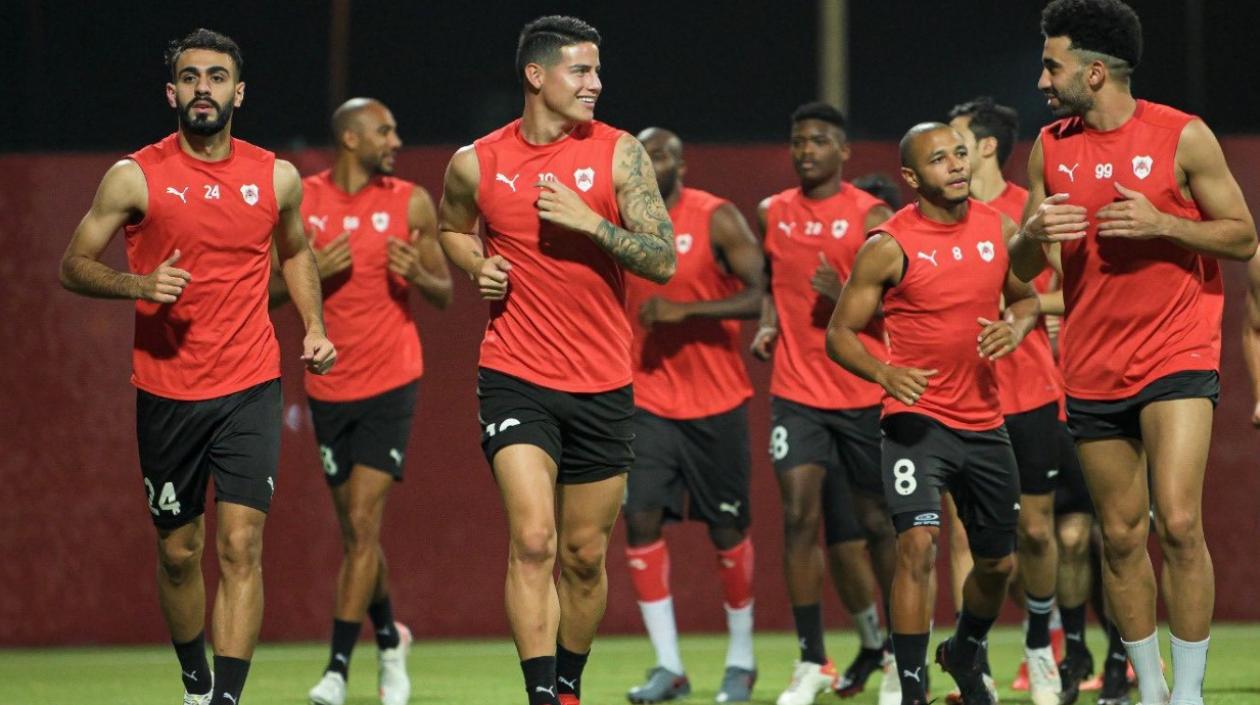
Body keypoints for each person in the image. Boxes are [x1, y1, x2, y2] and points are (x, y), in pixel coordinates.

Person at [57, 28, 335, 705]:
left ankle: (227, 700)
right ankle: (194, 683)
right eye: (190, 77)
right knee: (180, 553)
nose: (202, 87)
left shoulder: (274, 176)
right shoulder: (135, 176)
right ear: (172, 91)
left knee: (241, 546)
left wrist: (316, 327)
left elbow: (295, 252)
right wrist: (138, 286)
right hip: (166, 391)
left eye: (216, 76)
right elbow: (73, 265)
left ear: (238, 92)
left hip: (250, 386)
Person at [1012, 2, 1258, 705]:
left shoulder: (1183, 136)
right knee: (1119, 536)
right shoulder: (1049, 147)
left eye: (1052, 65)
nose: (1042, 80)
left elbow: (1241, 235)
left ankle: (1189, 693)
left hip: (1177, 350)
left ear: (1094, 71)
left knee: (1177, 520)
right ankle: (1148, 689)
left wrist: (1163, 223)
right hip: (1091, 363)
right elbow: (1021, 264)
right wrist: (1030, 234)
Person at [436, 16, 676, 705]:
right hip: (515, 375)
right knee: (534, 539)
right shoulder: (476, 161)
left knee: (581, 555)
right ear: (536, 76)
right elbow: (452, 226)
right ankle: (542, 693)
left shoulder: (619, 153)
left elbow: (662, 258)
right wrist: (476, 262)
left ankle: (569, 683)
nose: (595, 84)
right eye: (580, 70)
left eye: (598, 71)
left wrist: (592, 222)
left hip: (603, 382)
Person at [827, 122, 1041, 705]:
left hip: (985, 423)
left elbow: (1026, 301)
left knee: (998, 565)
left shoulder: (999, 229)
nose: (955, 165)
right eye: (939, 158)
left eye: (960, 154)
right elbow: (840, 334)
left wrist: (1014, 327)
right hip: (914, 423)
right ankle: (913, 686)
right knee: (918, 546)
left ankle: (965, 650)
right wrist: (883, 374)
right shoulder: (888, 245)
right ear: (912, 177)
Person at [269, 98, 452, 705]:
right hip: (328, 387)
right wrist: (313, 269)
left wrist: (418, 275)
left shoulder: (411, 201)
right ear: (350, 138)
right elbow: (268, 293)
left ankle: (338, 671)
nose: (396, 139)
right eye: (384, 130)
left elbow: (445, 292)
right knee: (356, 535)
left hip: (392, 382)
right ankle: (392, 641)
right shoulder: (304, 201)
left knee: (365, 523)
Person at [751, 102, 898, 705]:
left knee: (875, 524)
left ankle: (898, 654)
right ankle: (811, 658)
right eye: (797, 141)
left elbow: (906, 307)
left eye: (818, 141)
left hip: (861, 391)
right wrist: (767, 325)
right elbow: (770, 284)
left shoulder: (874, 216)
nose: (805, 150)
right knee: (798, 517)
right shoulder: (772, 213)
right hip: (796, 393)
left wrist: (845, 299)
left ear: (843, 152)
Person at [946, 95, 1084, 705]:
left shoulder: (1023, 211)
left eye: (955, 140)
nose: (945, 152)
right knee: (962, 539)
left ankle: (1039, 647)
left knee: (1034, 532)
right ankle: (971, 663)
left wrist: (1029, 315)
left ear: (984, 147)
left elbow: (1066, 294)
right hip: (961, 397)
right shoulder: (937, 213)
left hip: (1026, 391)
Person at [620, 127, 765, 704]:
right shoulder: (620, 224)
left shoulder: (716, 217)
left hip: (717, 402)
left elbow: (762, 293)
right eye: (641, 155)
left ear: (680, 162)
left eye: (660, 154)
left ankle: (742, 660)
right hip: (645, 400)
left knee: (727, 530)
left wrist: (687, 311)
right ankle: (669, 666)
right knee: (639, 521)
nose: (651, 163)